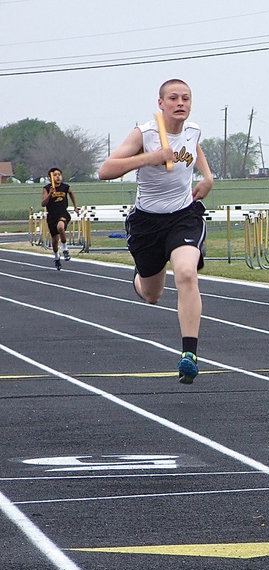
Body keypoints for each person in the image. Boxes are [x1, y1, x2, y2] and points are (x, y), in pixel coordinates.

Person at [98, 78, 213, 384]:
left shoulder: (193, 130)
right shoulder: (145, 134)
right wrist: (151, 158)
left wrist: (208, 177)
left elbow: (195, 148)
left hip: (183, 216)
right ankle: (140, 278)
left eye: (185, 98)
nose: (180, 103)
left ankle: (189, 355)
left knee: (186, 272)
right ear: (161, 103)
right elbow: (105, 170)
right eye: (173, 98)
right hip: (147, 223)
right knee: (153, 295)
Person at [42, 167, 79, 270]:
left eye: (59, 175)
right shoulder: (47, 188)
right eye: (55, 175)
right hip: (52, 216)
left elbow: (71, 194)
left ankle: (65, 248)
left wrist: (75, 207)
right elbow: (43, 204)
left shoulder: (65, 187)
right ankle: (57, 257)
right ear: (50, 178)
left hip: (63, 213)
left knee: (61, 227)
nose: (57, 177)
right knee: (54, 241)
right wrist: (50, 193)